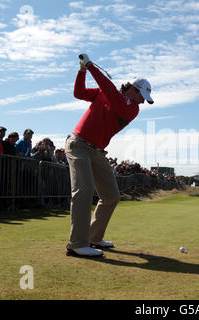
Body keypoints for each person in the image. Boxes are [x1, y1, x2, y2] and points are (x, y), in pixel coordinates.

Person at [64, 53, 154, 257]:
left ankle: (94, 237)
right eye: (140, 96)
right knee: (83, 191)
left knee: (112, 195)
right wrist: (82, 70)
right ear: (132, 89)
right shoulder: (107, 93)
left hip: (97, 151)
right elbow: (78, 93)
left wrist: (91, 67)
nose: (142, 101)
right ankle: (77, 244)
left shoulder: (131, 109)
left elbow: (112, 94)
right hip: (78, 145)